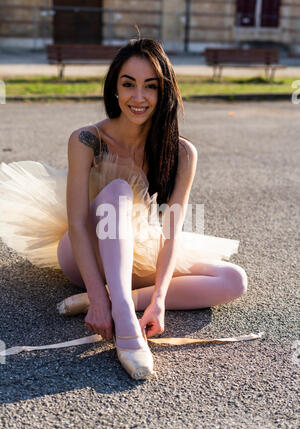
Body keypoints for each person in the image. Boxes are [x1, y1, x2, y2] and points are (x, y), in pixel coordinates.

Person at [0, 38, 247, 380]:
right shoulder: (86, 140)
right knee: (117, 190)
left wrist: (159, 298)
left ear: (165, 92)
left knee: (233, 280)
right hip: (84, 250)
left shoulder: (182, 152)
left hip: (136, 251)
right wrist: (104, 308)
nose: (139, 97)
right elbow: (76, 223)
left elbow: (172, 230)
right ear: (114, 88)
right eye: (128, 84)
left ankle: (119, 297)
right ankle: (125, 321)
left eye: (151, 87)